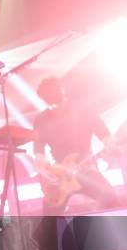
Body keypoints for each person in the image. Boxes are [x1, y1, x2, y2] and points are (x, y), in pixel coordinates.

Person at [33, 76, 120, 215]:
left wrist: (110, 143)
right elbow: (38, 153)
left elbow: (103, 133)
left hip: (86, 170)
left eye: (55, 99)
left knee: (109, 198)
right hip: (60, 175)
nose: (54, 106)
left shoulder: (83, 109)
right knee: (49, 218)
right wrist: (45, 173)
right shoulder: (41, 120)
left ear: (62, 92)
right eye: (49, 102)